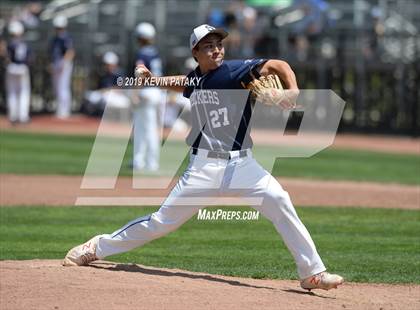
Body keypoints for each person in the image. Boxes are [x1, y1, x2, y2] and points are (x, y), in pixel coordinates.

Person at [63, 24, 344, 291]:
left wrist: (292, 88)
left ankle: (312, 274)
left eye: (219, 44)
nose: (217, 50)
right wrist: (153, 80)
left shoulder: (236, 71)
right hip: (203, 169)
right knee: (161, 223)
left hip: (243, 165)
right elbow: (183, 83)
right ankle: (96, 247)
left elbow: (277, 64)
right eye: (208, 46)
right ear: (195, 53)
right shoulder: (197, 78)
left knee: (280, 200)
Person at [132, 22, 163, 172]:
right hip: (157, 91)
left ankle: (150, 163)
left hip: (146, 92)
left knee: (145, 129)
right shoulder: (155, 52)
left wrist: (135, 93)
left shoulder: (142, 53)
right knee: (146, 128)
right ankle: (140, 161)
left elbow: (140, 74)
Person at [5, 20, 31, 124]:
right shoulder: (24, 43)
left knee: (12, 93)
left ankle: (13, 116)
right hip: (22, 68)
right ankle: (23, 117)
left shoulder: (10, 43)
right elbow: (29, 58)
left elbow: (7, 58)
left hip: (12, 68)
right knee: (23, 93)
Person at [49, 15, 74, 119]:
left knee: (63, 87)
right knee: (57, 88)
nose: (58, 30)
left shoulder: (66, 37)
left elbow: (70, 52)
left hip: (64, 64)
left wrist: (64, 62)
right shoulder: (54, 39)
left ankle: (65, 110)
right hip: (56, 64)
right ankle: (60, 109)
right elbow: (51, 53)